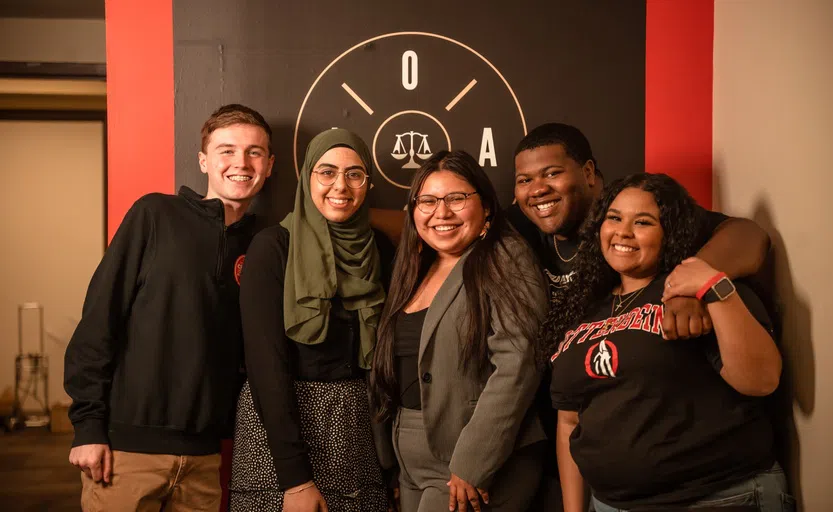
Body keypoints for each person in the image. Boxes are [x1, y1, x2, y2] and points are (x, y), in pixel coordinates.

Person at [508, 123, 772, 510]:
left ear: (588, 173)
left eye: (552, 173)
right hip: (605, 492)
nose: (537, 189)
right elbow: (570, 418)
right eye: (524, 179)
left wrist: (690, 285)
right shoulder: (525, 233)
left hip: (713, 493)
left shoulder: (647, 204)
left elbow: (749, 235)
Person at [64, 104, 274, 510]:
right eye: (226, 150)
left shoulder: (267, 242)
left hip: (205, 459)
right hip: (125, 453)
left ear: (269, 164)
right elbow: (98, 321)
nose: (241, 163)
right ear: (204, 160)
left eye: (254, 152)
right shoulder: (155, 215)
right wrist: (88, 425)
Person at [370, 150, 548, 512]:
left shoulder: (504, 257)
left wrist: (474, 462)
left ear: (485, 207)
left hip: (471, 458)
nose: (442, 212)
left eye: (456, 198)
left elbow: (519, 363)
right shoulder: (415, 267)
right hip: (410, 461)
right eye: (429, 201)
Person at [229, 129, 391, 511]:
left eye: (354, 174)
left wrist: (391, 467)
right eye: (327, 172)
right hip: (282, 436)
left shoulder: (380, 248)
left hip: (357, 433)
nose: (341, 185)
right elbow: (265, 365)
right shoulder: (273, 247)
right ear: (307, 177)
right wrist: (295, 479)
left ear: (367, 183)